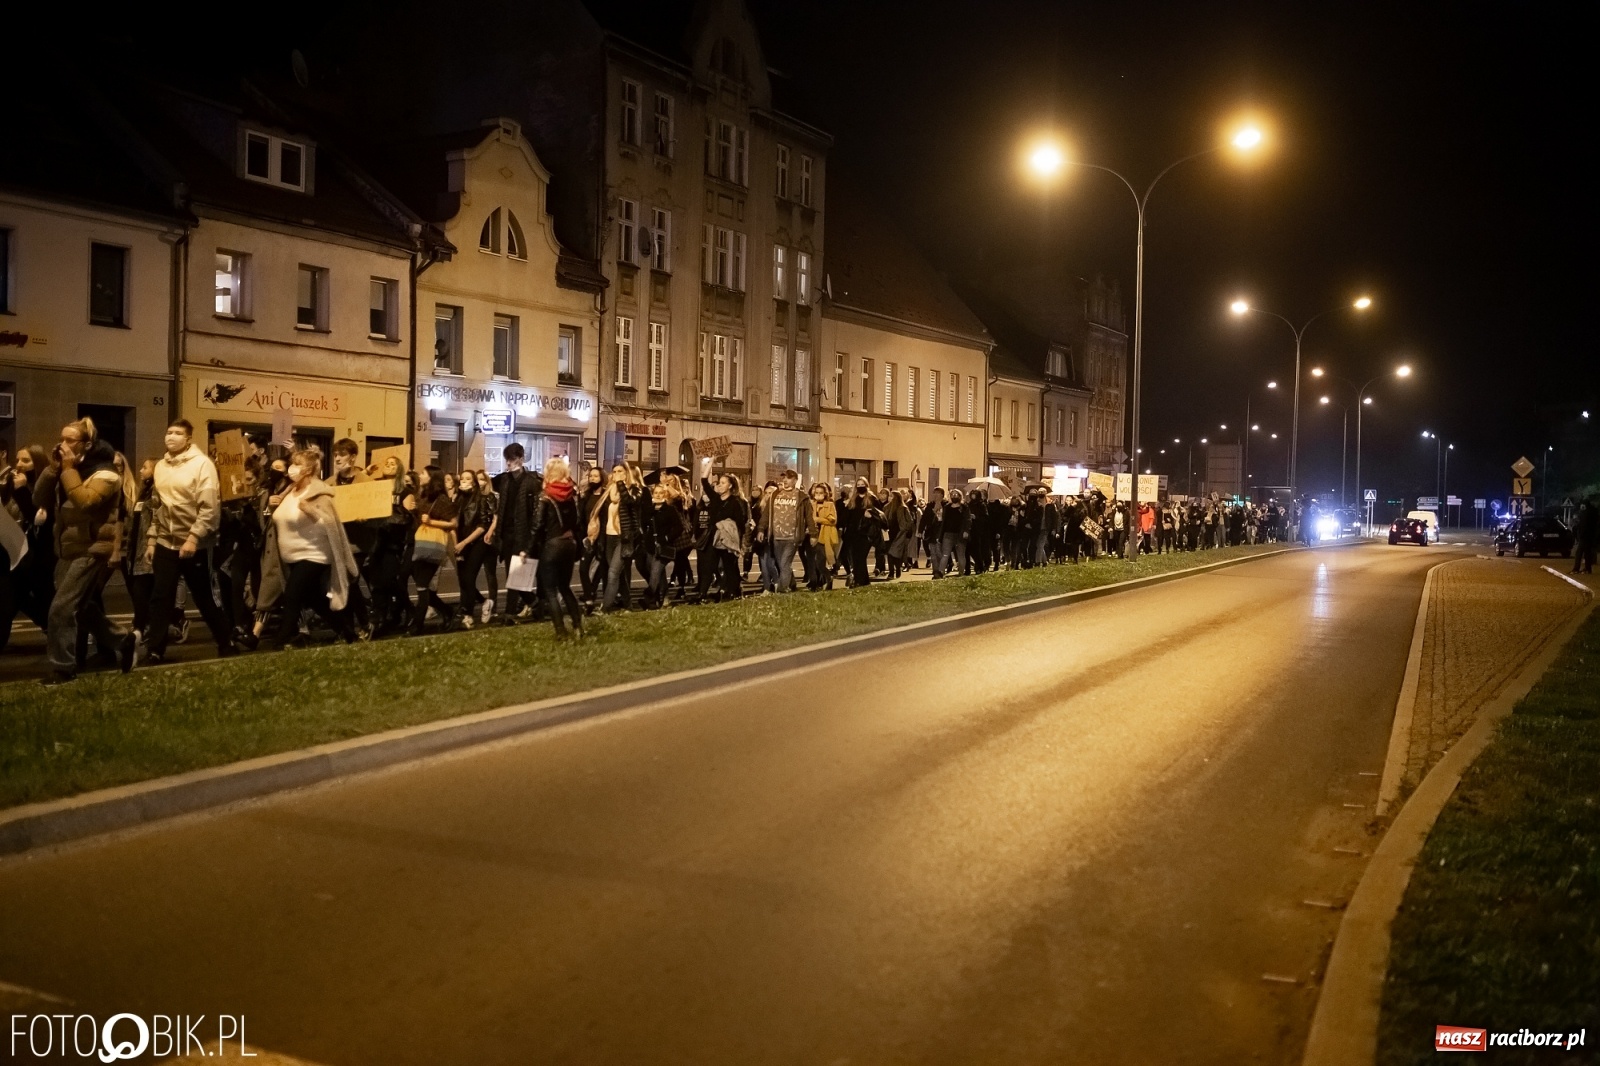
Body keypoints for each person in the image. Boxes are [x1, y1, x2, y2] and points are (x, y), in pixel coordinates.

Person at [33, 418, 135, 683]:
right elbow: (38, 499)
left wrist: (67, 470)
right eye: (61, 438)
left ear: (86, 444)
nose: (62, 445)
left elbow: (85, 502)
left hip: (92, 549)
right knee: (82, 608)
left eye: (70, 441)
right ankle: (123, 641)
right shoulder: (69, 469)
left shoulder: (106, 473)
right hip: (67, 548)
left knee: (61, 608)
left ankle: (62, 668)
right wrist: (53, 470)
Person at [140, 419, 235, 665]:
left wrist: (193, 538)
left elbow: (210, 508)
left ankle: (226, 641)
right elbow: (157, 506)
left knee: (203, 595)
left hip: (197, 544)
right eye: (169, 432)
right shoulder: (160, 466)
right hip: (165, 541)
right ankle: (155, 649)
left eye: (178, 433)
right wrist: (152, 540)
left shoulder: (202, 465)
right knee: (161, 596)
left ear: (188, 439)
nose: (171, 437)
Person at [256, 445, 358, 648]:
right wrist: (272, 507)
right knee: (314, 599)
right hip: (291, 556)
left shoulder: (319, 494)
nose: (291, 468)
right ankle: (347, 631)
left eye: (297, 464)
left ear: (309, 470)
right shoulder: (289, 491)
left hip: (314, 555)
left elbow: (331, 526)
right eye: (292, 463)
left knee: (292, 595)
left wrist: (312, 511)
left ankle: (279, 642)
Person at [1, 445, 53, 651]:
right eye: (18, 460)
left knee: (49, 600)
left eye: (26, 461)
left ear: (37, 463)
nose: (19, 465)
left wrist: (22, 491)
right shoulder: (11, 486)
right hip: (16, 554)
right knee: (8, 602)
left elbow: (38, 518)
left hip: (39, 556)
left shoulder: (44, 487)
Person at [528, 457, 585, 638]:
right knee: (565, 587)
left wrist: (527, 550)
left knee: (550, 591)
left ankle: (560, 631)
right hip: (569, 544)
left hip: (552, 545)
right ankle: (578, 628)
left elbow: (537, 526)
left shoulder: (545, 496)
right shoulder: (571, 494)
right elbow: (576, 522)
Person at [487, 443, 541, 623]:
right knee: (514, 576)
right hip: (507, 534)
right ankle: (534, 602)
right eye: (507, 460)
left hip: (522, 534)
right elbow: (488, 487)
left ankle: (509, 614)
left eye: (512, 459)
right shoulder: (504, 480)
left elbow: (535, 512)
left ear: (521, 458)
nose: (509, 463)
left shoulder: (532, 481)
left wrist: (532, 538)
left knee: (515, 575)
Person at [406, 467, 459, 635]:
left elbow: (453, 523)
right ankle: (447, 611)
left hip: (433, 546)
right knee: (414, 582)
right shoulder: (421, 495)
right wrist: (414, 511)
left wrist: (431, 522)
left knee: (422, 586)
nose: (420, 475)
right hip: (418, 543)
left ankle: (417, 626)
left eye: (424, 473)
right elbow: (419, 520)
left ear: (432, 478)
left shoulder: (441, 499)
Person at [757, 468, 811, 593]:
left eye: (789, 478)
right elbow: (766, 514)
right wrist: (761, 529)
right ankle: (791, 584)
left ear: (795, 480)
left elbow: (808, 516)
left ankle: (782, 589)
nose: (785, 480)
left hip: (792, 537)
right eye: (784, 478)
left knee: (785, 563)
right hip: (776, 536)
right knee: (782, 564)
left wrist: (813, 533)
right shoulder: (775, 495)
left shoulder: (801, 497)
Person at [454, 469, 495, 627]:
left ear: (474, 482)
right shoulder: (458, 499)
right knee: (463, 579)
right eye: (462, 478)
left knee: (469, 577)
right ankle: (484, 602)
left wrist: (465, 542)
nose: (464, 481)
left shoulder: (481, 499)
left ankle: (468, 614)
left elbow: (482, 525)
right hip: (460, 543)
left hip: (476, 542)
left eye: (468, 479)